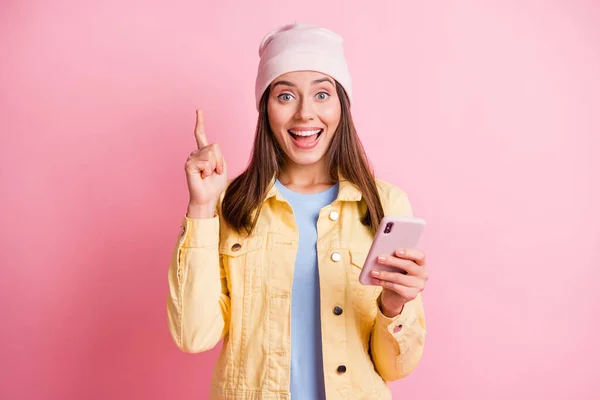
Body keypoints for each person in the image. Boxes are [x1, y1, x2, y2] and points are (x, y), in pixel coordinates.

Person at [167, 22, 428, 400]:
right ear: (265, 108)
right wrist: (203, 206)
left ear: (342, 105)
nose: (306, 114)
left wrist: (393, 305)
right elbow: (193, 335)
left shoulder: (385, 205)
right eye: (286, 96)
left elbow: (396, 368)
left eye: (322, 94)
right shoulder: (231, 207)